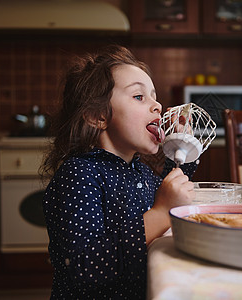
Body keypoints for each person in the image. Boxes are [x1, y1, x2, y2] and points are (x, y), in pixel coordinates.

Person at [40, 45, 197, 299]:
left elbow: (170, 195)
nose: (157, 105)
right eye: (139, 96)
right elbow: (84, 267)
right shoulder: (79, 175)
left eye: (154, 96)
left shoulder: (139, 172)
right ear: (97, 115)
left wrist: (183, 152)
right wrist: (159, 213)